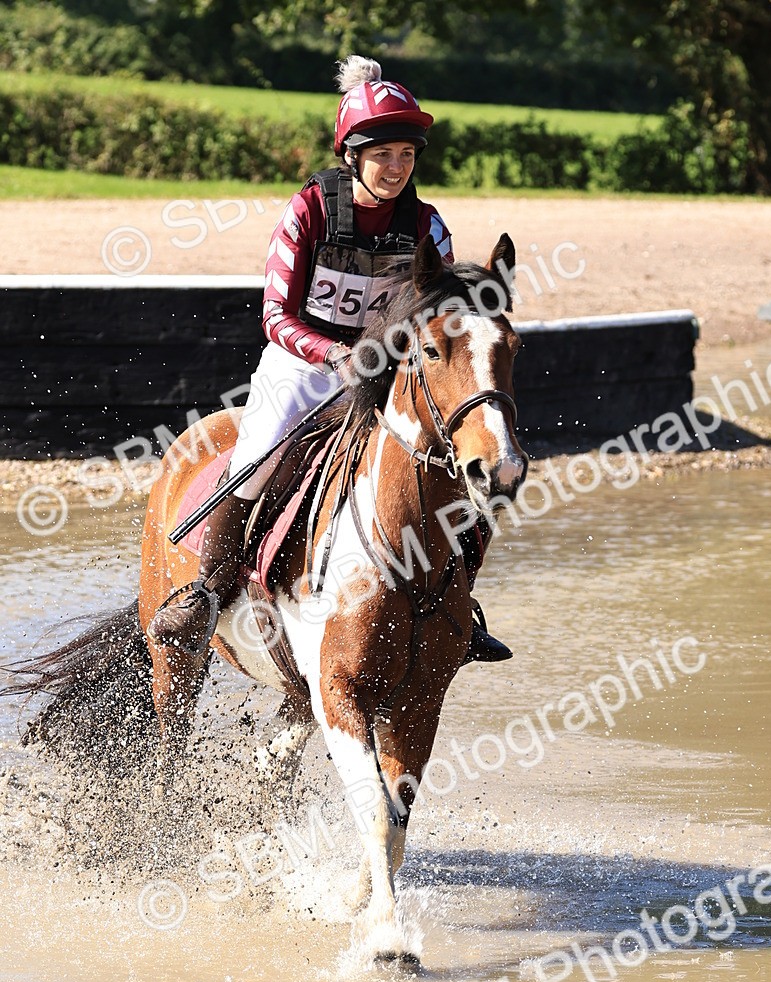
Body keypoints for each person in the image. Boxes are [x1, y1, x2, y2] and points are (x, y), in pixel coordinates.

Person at [149, 56, 511, 663]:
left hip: (383, 373)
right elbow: (274, 315)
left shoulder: (427, 226)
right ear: (353, 156)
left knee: (450, 463)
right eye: (383, 155)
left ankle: (456, 603)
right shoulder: (310, 210)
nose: (397, 168)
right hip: (303, 364)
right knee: (260, 455)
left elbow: (446, 316)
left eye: (407, 155)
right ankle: (208, 589)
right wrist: (334, 353)